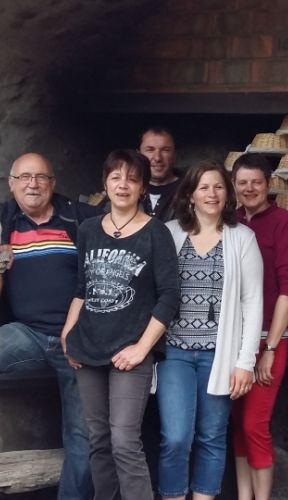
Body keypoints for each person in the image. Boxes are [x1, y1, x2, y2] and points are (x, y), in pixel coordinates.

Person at [60, 149, 179, 500]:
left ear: (143, 187)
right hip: (87, 348)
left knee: (124, 440)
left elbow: (170, 296)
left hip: (131, 350)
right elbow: (82, 288)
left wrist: (142, 348)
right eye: (115, 177)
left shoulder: (156, 233)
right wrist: (68, 333)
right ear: (105, 183)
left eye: (132, 178)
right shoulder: (88, 230)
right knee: (98, 440)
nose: (123, 184)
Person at [157, 161, 263, 500]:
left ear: (227, 193)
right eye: (203, 187)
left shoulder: (242, 238)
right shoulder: (170, 233)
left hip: (220, 354)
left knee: (212, 436)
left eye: (218, 187)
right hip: (174, 351)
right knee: (176, 437)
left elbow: (253, 302)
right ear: (190, 194)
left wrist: (245, 361)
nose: (212, 194)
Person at [0, 152, 98, 500]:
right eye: (24, 177)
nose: (33, 184)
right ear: (11, 185)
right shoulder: (5, 222)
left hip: (78, 341)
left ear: (53, 183)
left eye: (41, 177)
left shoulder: (79, 218)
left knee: (84, 437)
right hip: (28, 334)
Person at [230, 153, 288, 500]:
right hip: (233, 340)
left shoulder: (284, 223)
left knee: (254, 424)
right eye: (242, 182)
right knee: (236, 425)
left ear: (269, 184)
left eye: (256, 182)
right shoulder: (229, 222)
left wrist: (270, 349)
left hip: (269, 339)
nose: (249, 189)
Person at [139, 126, 181, 221]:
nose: (158, 158)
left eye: (165, 150)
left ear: (174, 155)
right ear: (138, 154)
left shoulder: (189, 191)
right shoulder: (126, 191)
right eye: (150, 150)